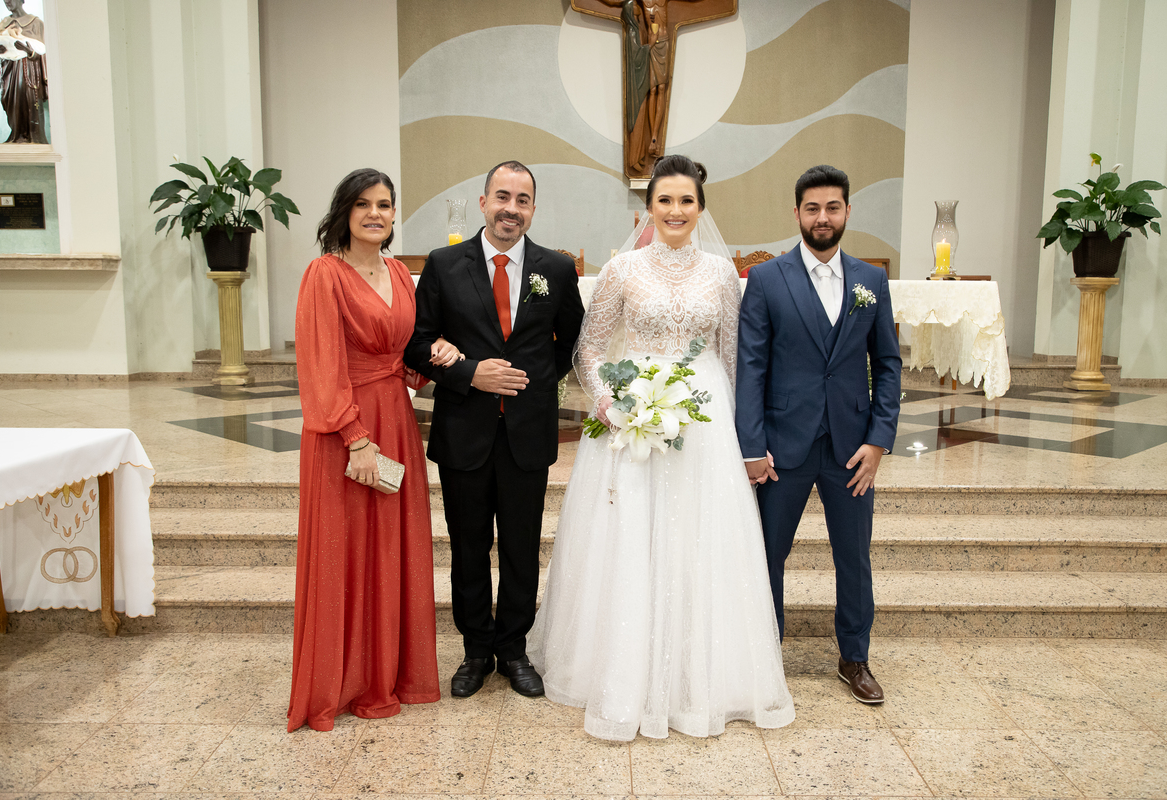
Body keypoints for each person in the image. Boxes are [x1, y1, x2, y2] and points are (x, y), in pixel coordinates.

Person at [526, 154, 795, 741]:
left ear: (701, 207)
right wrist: (609, 401)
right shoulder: (622, 269)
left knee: (701, 536)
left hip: (704, 420)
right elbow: (588, 348)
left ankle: (702, 677)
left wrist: (741, 435)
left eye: (686, 201)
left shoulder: (722, 274)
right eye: (665, 200)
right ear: (648, 207)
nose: (676, 210)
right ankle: (623, 671)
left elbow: (732, 357)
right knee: (630, 537)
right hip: (634, 415)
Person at [406, 160, 585, 700]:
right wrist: (470, 374)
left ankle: (513, 649)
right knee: (468, 546)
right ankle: (475, 651)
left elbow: (572, 343)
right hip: (465, 430)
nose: (512, 208)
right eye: (502, 197)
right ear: (483, 202)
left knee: (521, 547)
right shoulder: (443, 264)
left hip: (527, 432)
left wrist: (530, 383)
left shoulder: (557, 269)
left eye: (522, 200)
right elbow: (417, 343)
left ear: (533, 208)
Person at [289, 168, 460, 732]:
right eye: (363, 204)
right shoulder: (324, 274)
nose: (375, 214)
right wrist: (355, 438)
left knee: (391, 549)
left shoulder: (399, 273)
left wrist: (433, 355)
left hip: (396, 419)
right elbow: (321, 364)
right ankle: (342, 682)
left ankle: (388, 675)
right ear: (343, 212)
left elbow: (404, 352)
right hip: (347, 429)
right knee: (345, 550)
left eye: (384, 205)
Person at [735, 164, 901, 705]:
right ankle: (766, 657)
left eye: (832, 207)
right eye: (812, 208)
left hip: (852, 447)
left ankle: (855, 658)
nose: (822, 217)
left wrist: (878, 441)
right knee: (768, 555)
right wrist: (752, 447)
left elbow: (888, 365)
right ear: (797, 213)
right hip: (782, 446)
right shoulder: (766, 279)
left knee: (854, 557)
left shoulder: (871, 281)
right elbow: (751, 367)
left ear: (847, 211)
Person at [0, 0, 47, 144]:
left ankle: (32, 137)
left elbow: (44, 53)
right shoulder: (3, 24)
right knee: (11, 101)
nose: (7, 1)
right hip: (9, 71)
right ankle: (16, 134)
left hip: (29, 71)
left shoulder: (36, 23)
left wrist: (29, 51)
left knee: (27, 99)